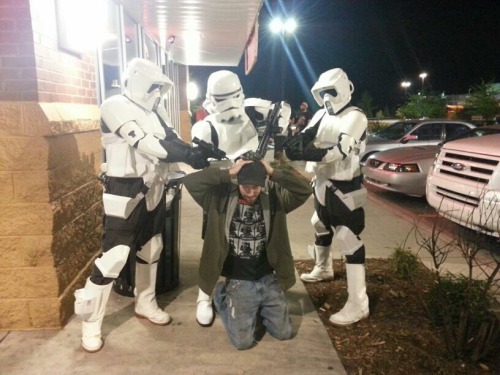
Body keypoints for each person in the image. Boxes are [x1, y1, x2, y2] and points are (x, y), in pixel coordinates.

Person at [73, 58, 210, 353]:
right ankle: (91, 321)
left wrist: (195, 152)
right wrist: (190, 154)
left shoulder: (156, 110)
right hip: (125, 188)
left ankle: (145, 302)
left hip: (156, 186)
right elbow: (147, 144)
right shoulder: (114, 105)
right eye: (153, 85)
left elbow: (171, 139)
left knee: (152, 247)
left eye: (160, 87)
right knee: (115, 256)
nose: (156, 92)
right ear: (137, 80)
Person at [190, 70, 291, 326]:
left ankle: (248, 289)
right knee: (214, 242)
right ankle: (204, 294)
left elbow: (283, 111)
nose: (232, 104)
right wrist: (227, 169)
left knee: (253, 237)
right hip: (222, 189)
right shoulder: (205, 127)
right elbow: (199, 170)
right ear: (212, 98)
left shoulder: (251, 113)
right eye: (225, 98)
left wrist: (280, 121)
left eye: (236, 96)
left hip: (253, 186)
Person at [183, 159, 313, 349]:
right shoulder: (219, 197)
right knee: (243, 342)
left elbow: (304, 190)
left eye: (256, 187)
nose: (251, 192)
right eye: (246, 187)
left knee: (284, 333)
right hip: (239, 277)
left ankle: (254, 307)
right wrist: (228, 172)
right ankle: (222, 295)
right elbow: (191, 182)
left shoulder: (275, 197)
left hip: (267, 276)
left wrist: (273, 172)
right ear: (238, 182)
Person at [284, 68, 369, 326]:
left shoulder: (355, 116)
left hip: (345, 185)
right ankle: (324, 268)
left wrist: (305, 152)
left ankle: (358, 303)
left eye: (331, 92)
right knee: (319, 225)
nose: (327, 98)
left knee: (348, 238)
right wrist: (295, 145)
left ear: (344, 88)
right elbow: (304, 137)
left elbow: (339, 151)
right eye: (322, 94)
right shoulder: (321, 114)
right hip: (321, 181)